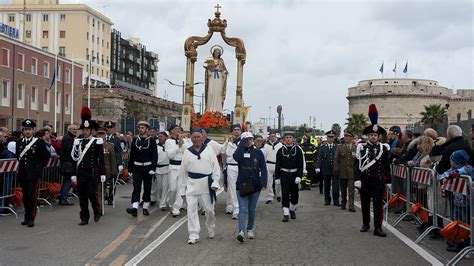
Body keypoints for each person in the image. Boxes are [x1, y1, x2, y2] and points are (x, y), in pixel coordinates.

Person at [177, 129, 221, 244]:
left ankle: (211, 227)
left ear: (202, 138)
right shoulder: (187, 152)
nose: (196, 139)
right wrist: (182, 189)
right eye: (194, 137)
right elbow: (182, 172)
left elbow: (216, 167)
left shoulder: (209, 149)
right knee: (191, 210)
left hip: (206, 184)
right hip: (191, 184)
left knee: (209, 210)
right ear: (191, 138)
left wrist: (215, 182)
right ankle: (193, 234)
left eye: (198, 137)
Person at [355, 104, 391, 237]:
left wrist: (389, 180)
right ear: (367, 136)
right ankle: (365, 223)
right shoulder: (361, 148)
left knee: (378, 205)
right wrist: (358, 179)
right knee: (365, 203)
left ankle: (378, 227)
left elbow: (386, 166)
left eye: (375, 135)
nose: (373, 137)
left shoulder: (384, 148)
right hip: (365, 180)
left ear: (379, 136)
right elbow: (357, 164)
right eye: (371, 135)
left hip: (378, 181)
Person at [71, 107, 106, 225]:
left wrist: (102, 173)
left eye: (87, 130)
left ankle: (96, 210)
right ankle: (84, 216)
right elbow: (75, 158)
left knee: (91, 193)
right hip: (81, 172)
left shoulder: (97, 142)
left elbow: (101, 159)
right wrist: (75, 146)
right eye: (84, 130)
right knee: (82, 196)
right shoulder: (78, 141)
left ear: (91, 130)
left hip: (92, 172)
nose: (85, 132)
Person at [233, 132, 267, 242]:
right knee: (242, 209)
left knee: (251, 209)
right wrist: (242, 144)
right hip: (242, 185)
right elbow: (236, 157)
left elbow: (263, 168)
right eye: (247, 139)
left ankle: (250, 229)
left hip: (255, 185)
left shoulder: (258, 153)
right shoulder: (240, 152)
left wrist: (263, 183)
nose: (250, 141)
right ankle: (241, 231)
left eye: (251, 139)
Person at [16, 119, 51, 227]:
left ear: (33, 130)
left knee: (32, 195)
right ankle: (26, 217)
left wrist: (38, 167)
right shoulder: (19, 142)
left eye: (29, 129)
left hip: (34, 173)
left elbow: (46, 156)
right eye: (26, 129)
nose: (27, 131)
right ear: (23, 130)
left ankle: (31, 218)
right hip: (23, 173)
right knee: (25, 195)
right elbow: (19, 156)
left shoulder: (38, 142)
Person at [438, 150, 473, 252]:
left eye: (451, 159)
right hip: (456, 200)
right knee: (456, 221)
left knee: (466, 223)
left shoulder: (468, 168)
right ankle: (457, 241)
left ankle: (466, 241)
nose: (450, 161)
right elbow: (444, 174)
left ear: (457, 161)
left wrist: (449, 176)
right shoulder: (452, 168)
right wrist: (443, 178)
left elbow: (459, 172)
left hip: (466, 201)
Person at [126, 121, 158, 217]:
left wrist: (153, 168)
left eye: (142, 128)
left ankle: (145, 207)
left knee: (147, 188)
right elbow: (132, 155)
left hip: (148, 168)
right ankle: (135, 208)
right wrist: (130, 169)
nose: (140, 129)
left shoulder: (151, 140)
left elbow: (154, 156)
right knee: (136, 188)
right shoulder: (135, 140)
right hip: (137, 168)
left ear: (147, 130)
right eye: (139, 128)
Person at [275, 132, 304, 222]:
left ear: (293, 139)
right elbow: (278, 165)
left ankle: (292, 209)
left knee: (295, 196)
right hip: (284, 174)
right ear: (284, 139)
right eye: (286, 137)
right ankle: (286, 213)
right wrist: (277, 177)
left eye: (290, 137)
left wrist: (299, 176)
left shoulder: (298, 150)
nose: (288, 139)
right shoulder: (280, 151)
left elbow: (301, 164)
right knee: (285, 194)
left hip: (294, 174)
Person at [165, 124, 191, 217]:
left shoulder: (184, 141)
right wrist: (177, 146)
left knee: (181, 188)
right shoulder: (168, 141)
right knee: (172, 189)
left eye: (179, 129)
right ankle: (171, 204)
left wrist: (182, 142)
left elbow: (187, 152)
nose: (178, 131)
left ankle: (176, 208)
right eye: (176, 129)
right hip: (173, 166)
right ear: (171, 131)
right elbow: (170, 155)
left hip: (182, 167)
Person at [221, 124, 242, 219]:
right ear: (232, 132)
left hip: (241, 167)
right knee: (232, 188)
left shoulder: (243, 141)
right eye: (235, 130)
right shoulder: (228, 141)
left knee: (240, 188)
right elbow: (222, 151)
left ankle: (238, 206)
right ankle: (235, 209)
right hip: (231, 167)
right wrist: (227, 142)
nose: (236, 131)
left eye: (238, 129)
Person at [334, 130, 357, 212]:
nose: (345, 137)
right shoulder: (340, 147)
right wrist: (336, 169)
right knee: (343, 190)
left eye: (347, 136)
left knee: (351, 190)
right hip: (342, 171)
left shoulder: (355, 148)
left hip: (351, 173)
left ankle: (351, 206)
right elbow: (336, 159)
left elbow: (357, 161)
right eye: (344, 136)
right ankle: (343, 203)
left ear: (351, 137)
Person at [316, 130, 339, 206]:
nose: (330, 139)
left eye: (332, 137)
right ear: (327, 137)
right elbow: (319, 158)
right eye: (329, 137)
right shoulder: (323, 147)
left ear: (334, 138)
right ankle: (327, 199)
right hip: (326, 168)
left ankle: (336, 200)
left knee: (336, 186)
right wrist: (318, 167)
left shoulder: (337, 147)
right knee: (327, 185)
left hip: (335, 169)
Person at [97, 128, 118, 206]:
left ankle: (105, 199)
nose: (100, 135)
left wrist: (114, 172)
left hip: (107, 171)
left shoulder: (110, 146)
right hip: (96, 171)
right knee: (99, 189)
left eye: (102, 133)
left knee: (105, 187)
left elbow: (113, 160)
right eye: (99, 133)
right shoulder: (92, 145)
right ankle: (99, 205)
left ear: (105, 135)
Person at [204, 45, 228, 113]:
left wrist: (224, 72)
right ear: (213, 53)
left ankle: (217, 109)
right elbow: (207, 69)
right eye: (216, 52)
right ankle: (209, 108)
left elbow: (224, 70)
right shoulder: (210, 60)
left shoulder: (221, 60)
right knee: (211, 92)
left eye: (218, 52)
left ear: (220, 54)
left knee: (218, 92)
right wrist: (208, 70)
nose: (217, 53)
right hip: (211, 77)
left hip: (219, 78)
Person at [58, 124, 77, 206]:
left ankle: (63, 197)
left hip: (67, 162)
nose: (75, 131)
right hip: (68, 163)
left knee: (67, 180)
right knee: (68, 181)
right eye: (73, 129)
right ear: (69, 129)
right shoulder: (68, 138)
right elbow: (69, 150)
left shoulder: (69, 137)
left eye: (76, 129)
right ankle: (63, 198)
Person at [263, 131, 283, 203]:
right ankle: (270, 197)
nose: (273, 137)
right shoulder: (266, 145)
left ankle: (278, 194)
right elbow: (264, 155)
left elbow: (282, 155)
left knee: (278, 181)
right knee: (269, 182)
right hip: (268, 164)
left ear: (276, 137)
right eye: (271, 136)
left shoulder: (280, 145)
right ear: (269, 137)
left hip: (278, 164)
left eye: (274, 136)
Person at [152, 131, 170, 210]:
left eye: (161, 136)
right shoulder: (155, 147)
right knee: (160, 187)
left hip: (167, 168)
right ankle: (161, 199)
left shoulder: (169, 146)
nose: (160, 138)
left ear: (166, 137)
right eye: (159, 136)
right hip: (158, 169)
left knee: (166, 187)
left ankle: (163, 204)